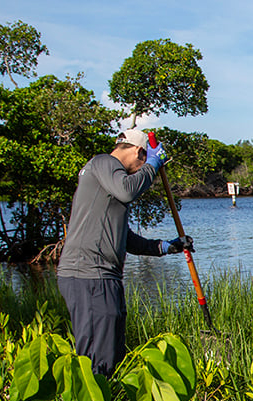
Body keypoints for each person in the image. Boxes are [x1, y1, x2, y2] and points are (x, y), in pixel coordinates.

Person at [57, 128, 193, 377]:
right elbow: (128, 190)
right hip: (89, 275)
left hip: (104, 277)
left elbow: (124, 238)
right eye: (143, 160)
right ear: (139, 151)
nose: (141, 169)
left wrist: (165, 247)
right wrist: (153, 164)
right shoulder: (103, 163)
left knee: (112, 352)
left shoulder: (108, 182)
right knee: (97, 357)